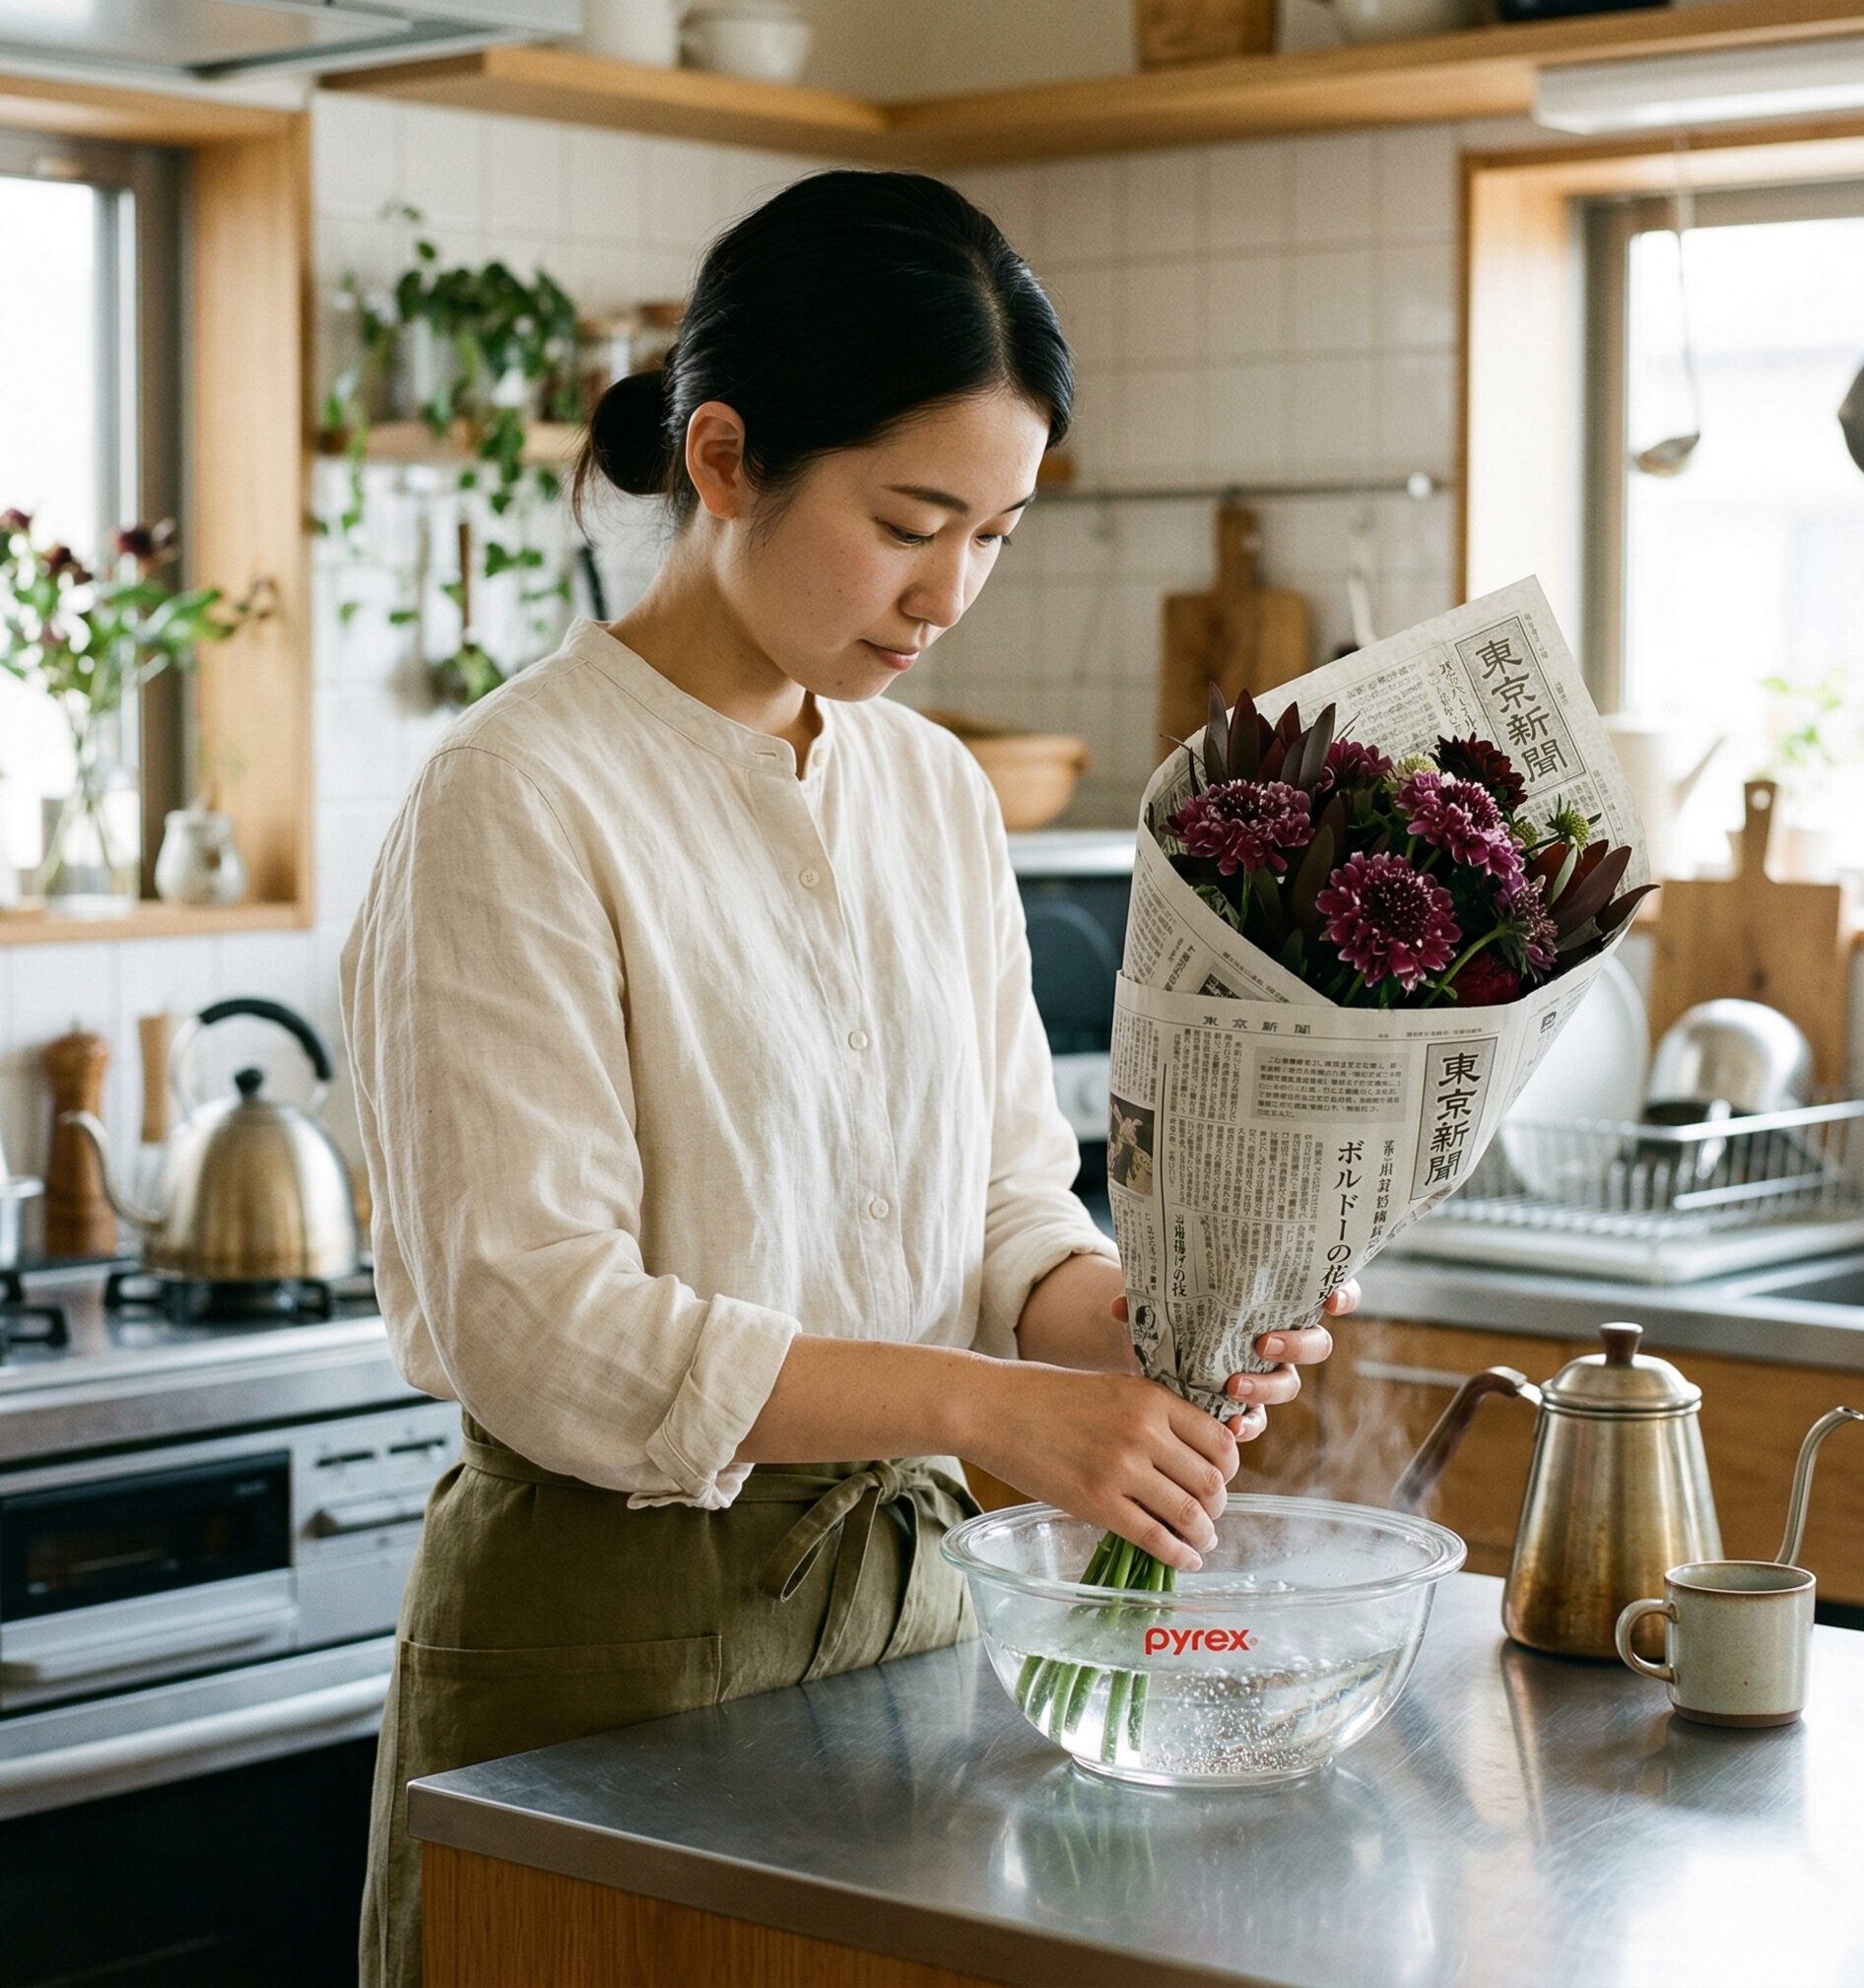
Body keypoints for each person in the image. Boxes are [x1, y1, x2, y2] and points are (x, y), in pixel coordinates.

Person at [341, 168, 1351, 1988]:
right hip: (606, 1648)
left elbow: (995, 1208)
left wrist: (1133, 1326)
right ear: (722, 461)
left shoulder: (931, 793)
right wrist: (987, 1415)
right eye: (910, 521)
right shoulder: (517, 798)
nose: (950, 592)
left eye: (1000, 534)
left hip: (910, 1632)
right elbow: (537, 1323)